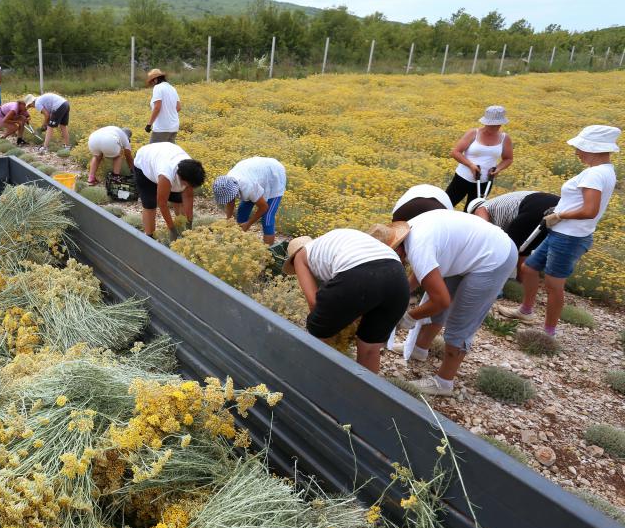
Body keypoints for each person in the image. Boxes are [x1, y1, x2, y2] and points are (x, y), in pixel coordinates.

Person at [500, 125, 620, 335]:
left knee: (554, 285)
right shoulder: (605, 170)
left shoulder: (594, 174)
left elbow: (590, 210)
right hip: (565, 232)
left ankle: (548, 333)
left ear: (594, 149)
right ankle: (526, 310)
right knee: (529, 267)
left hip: (569, 236)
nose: (577, 152)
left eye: (581, 148)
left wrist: (560, 215)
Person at [387, 210, 518, 396]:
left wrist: (408, 317)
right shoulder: (411, 230)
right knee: (440, 293)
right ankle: (418, 349)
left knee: (460, 322)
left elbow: (441, 301)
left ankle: (444, 382)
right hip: (472, 249)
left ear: (397, 248)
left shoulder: (418, 247)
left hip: (495, 257)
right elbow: (422, 271)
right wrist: (398, 296)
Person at [283, 228, 409, 373]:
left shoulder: (299, 256)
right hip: (398, 278)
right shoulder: (333, 242)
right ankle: (364, 393)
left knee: (316, 335)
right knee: (370, 348)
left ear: (292, 259)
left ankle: (306, 380)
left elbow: (314, 304)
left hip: (358, 274)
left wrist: (332, 328)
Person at [466, 190, 560, 275]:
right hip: (558, 204)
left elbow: (483, 230)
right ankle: (528, 277)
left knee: (511, 249)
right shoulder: (497, 205)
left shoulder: (480, 209)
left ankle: (518, 280)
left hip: (533, 205)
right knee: (531, 246)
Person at [133, 142, 205, 239]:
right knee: (150, 204)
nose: (189, 187)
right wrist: (172, 229)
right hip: (145, 162)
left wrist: (189, 224)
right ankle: (150, 238)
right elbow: (162, 203)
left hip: (164, 154)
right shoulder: (166, 175)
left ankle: (182, 229)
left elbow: (188, 197)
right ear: (180, 177)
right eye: (187, 184)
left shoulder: (191, 170)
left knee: (179, 200)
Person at [445, 106, 513, 208]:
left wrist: (498, 169)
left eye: (497, 125)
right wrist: (471, 165)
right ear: (485, 122)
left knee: (472, 212)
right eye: (491, 125)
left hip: (485, 182)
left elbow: (508, 158)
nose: (494, 127)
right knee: (445, 205)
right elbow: (455, 152)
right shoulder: (473, 133)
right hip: (462, 178)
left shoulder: (505, 138)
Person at [211, 157, 287, 244]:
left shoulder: (248, 187)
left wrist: (249, 223)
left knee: (267, 218)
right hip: (255, 174)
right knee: (243, 210)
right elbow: (230, 200)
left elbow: (264, 207)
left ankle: (269, 252)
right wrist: (228, 221)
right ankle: (239, 243)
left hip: (273, 174)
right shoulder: (226, 183)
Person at [145, 68, 181, 143]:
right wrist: (168, 112)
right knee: (167, 152)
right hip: (174, 127)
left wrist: (149, 124)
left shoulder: (158, 88)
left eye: (152, 82)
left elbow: (157, 107)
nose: (152, 84)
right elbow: (178, 107)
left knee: (154, 152)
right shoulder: (172, 88)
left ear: (155, 79)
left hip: (162, 128)